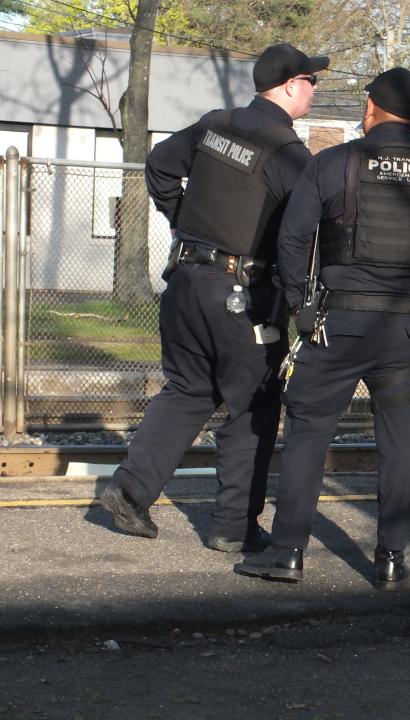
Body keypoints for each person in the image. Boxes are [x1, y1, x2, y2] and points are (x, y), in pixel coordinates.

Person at [236, 67, 410, 588]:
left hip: (337, 324)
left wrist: (299, 308)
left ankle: (287, 552)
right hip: (408, 330)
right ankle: (391, 559)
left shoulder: (331, 163)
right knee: (402, 441)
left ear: (369, 110)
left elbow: (292, 239)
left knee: (310, 434)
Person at [100, 43, 329, 551]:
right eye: (311, 81)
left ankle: (129, 490)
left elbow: (159, 164)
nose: (315, 89)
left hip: (184, 281)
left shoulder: (214, 125)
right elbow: (306, 233)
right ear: (291, 85)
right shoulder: (289, 155)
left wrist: (182, 222)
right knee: (253, 405)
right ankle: (232, 527)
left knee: (186, 390)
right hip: (240, 296)